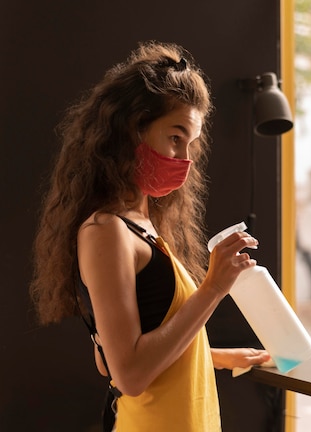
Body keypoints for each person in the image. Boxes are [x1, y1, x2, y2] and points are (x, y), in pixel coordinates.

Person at [29, 41, 270, 431]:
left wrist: (217, 356)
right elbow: (129, 375)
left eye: (191, 144)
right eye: (175, 137)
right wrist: (213, 288)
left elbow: (134, 348)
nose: (184, 158)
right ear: (132, 130)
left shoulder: (143, 225)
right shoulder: (106, 232)